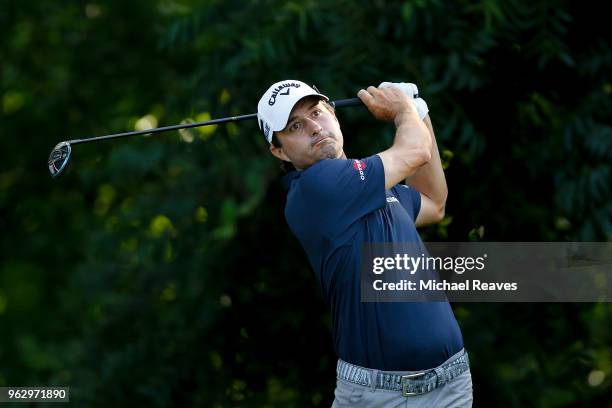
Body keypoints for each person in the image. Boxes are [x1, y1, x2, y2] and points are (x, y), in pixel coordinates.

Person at [257, 79, 473, 407]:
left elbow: (433, 202)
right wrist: (403, 110)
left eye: (317, 112)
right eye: (295, 126)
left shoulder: (373, 186)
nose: (314, 127)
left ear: (334, 113)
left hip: (451, 384)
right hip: (379, 396)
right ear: (279, 150)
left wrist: (419, 110)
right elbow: (414, 151)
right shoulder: (317, 187)